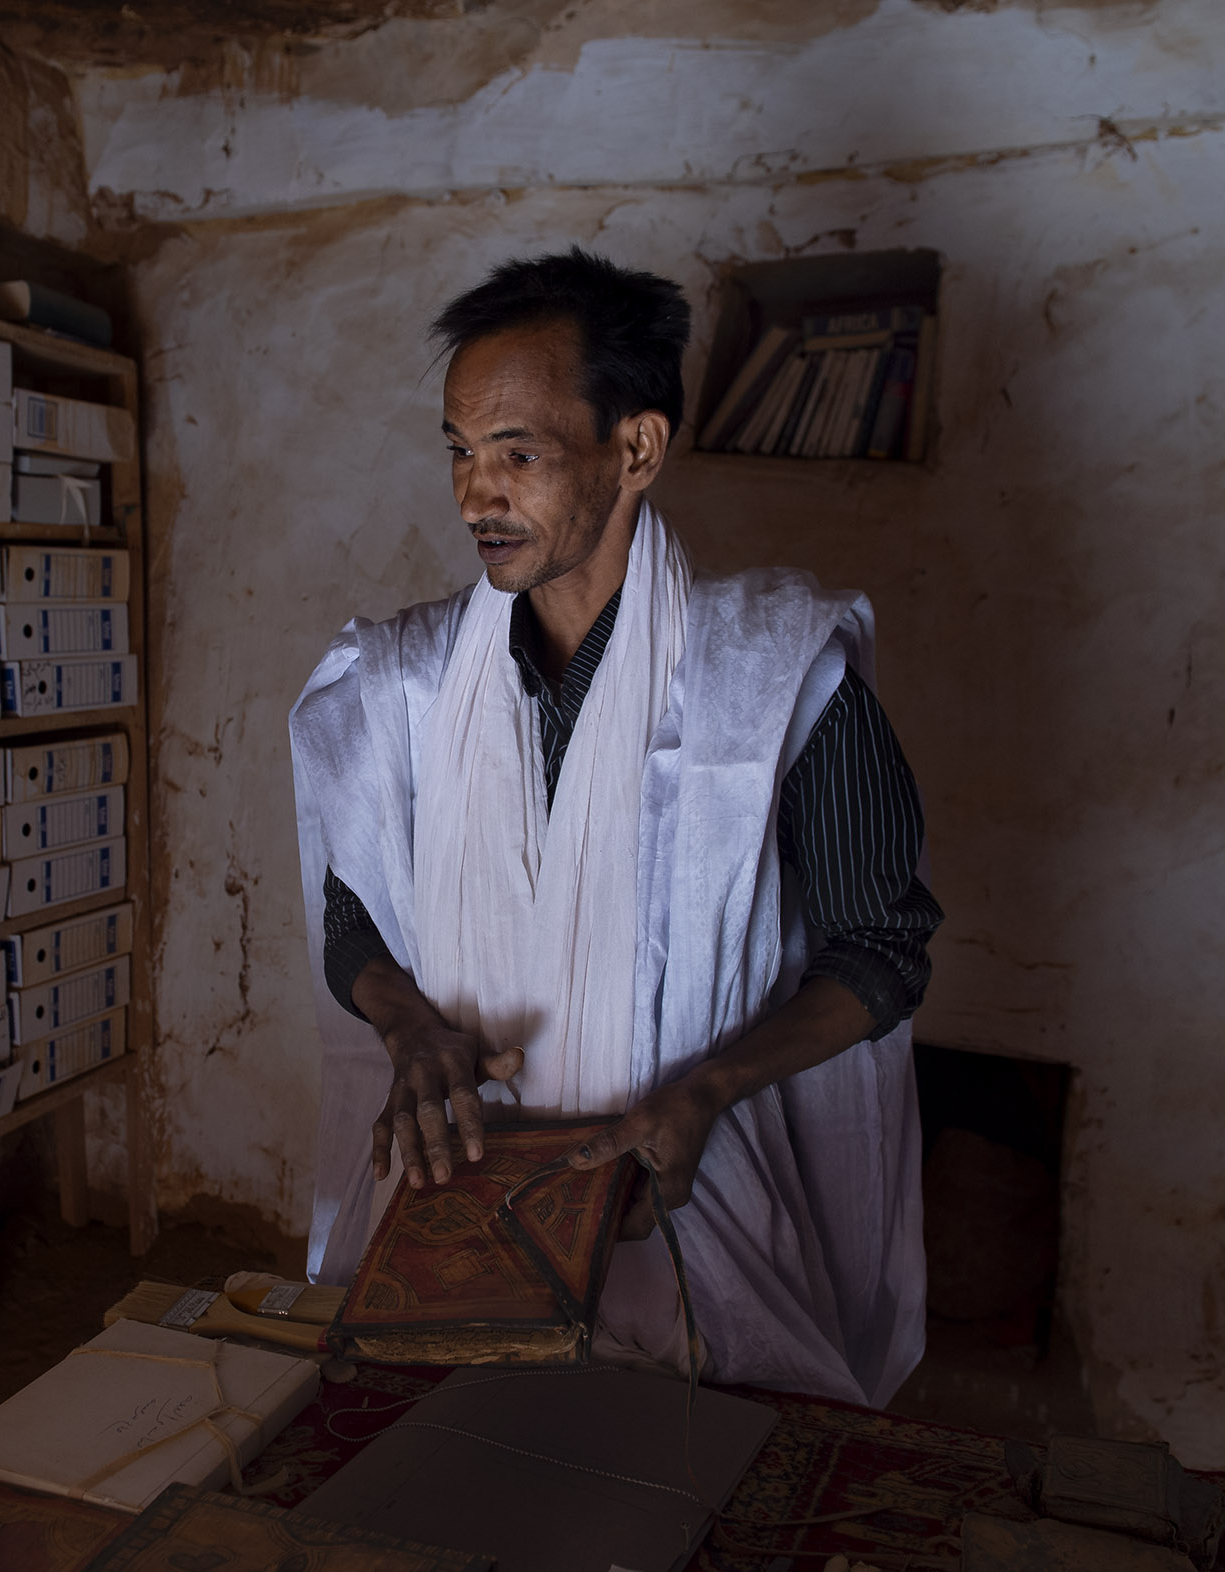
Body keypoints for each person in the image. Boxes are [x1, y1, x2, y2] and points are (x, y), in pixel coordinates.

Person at [287, 248, 943, 1404]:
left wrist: (710, 1087)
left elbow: (880, 951)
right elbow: (352, 908)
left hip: (690, 1221)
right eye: (459, 451)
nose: (474, 495)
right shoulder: (404, 686)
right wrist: (407, 1027)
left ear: (635, 448)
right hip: (464, 1215)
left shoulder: (773, 673)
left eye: (517, 454)